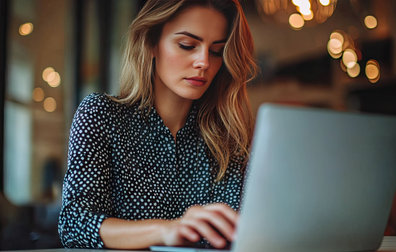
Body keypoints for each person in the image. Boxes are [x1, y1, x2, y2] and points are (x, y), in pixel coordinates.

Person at [58, 0, 257, 249]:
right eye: (187, 45)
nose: (203, 62)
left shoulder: (229, 140)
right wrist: (166, 230)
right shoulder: (103, 115)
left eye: (216, 51)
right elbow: (75, 224)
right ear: (151, 43)